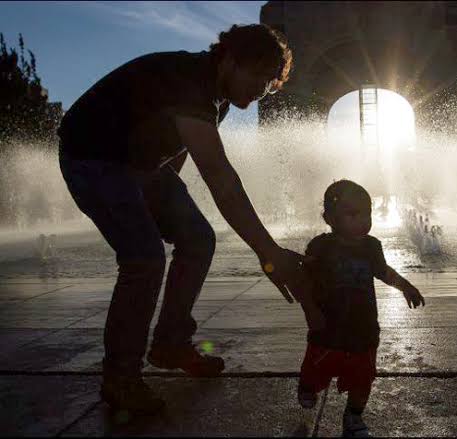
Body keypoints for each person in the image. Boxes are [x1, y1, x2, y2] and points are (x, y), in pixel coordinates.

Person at [57, 24, 302, 414]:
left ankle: (171, 343)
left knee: (198, 239)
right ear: (230, 60)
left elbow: (178, 151)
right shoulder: (190, 82)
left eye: (270, 82)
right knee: (144, 259)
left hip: (141, 165)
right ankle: (121, 378)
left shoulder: (215, 95)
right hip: (93, 158)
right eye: (258, 75)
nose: (262, 88)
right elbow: (220, 177)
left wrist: (162, 204)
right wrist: (268, 251)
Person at [296, 180, 425, 437]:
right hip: (327, 327)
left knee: (363, 377)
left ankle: (354, 416)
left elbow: (383, 272)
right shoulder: (321, 247)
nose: (362, 221)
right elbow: (303, 282)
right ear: (329, 218)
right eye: (352, 214)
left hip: (363, 328)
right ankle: (308, 386)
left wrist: (405, 286)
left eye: (367, 213)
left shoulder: (371, 246)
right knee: (316, 366)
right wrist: (310, 309)